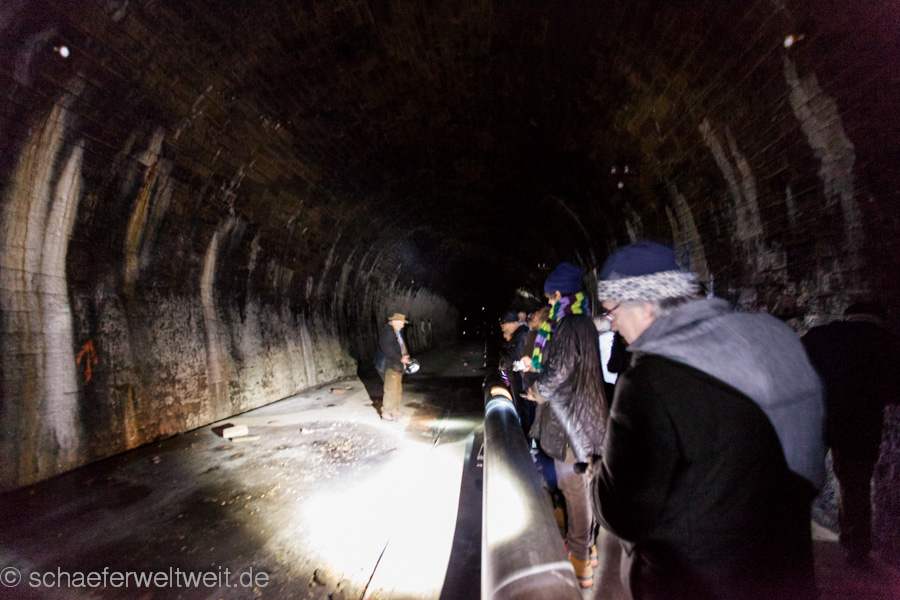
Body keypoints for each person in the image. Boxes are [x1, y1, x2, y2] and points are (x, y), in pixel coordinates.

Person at [593, 240, 825, 600]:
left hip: (692, 585)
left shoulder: (650, 380)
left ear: (645, 306)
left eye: (612, 312)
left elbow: (622, 513)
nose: (614, 326)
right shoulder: (777, 337)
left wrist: (598, 473)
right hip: (787, 575)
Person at [527, 262, 608, 588]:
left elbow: (558, 372)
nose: (548, 304)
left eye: (549, 299)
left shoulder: (568, 325)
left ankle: (579, 558)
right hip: (588, 417)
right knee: (584, 487)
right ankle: (589, 546)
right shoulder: (583, 322)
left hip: (571, 422)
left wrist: (536, 391)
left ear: (558, 294)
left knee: (574, 489)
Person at [802, 302, 900, 566]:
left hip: (817, 417)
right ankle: (856, 548)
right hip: (860, 425)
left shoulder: (822, 336)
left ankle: (781, 535)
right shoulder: (888, 344)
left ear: (848, 316)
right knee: (855, 486)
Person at [498, 311, 531, 436]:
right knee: (521, 408)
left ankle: (525, 438)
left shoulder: (521, 336)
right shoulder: (515, 336)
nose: (502, 327)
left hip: (522, 380)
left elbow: (510, 358)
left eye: (504, 324)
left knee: (524, 410)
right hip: (517, 379)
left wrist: (503, 362)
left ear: (513, 323)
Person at [378, 313, 411, 421]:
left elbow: (400, 347)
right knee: (391, 389)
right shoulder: (388, 332)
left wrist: (405, 356)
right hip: (391, 365)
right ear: (395, 321)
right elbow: (387, 349)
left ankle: (394, 408)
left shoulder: (397, 332)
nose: (403, 325)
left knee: (397, 388)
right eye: (402, 323)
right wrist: (400, 358)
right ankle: (386, 412)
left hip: (397, 365)